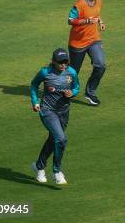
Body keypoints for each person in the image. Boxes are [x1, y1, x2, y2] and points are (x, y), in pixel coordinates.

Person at [30, 48, 80, 184]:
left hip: (64, 111)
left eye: (65, 62)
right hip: (47, 111)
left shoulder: (72, 72)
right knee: (61, 139)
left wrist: (73, 93)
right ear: (53, 61)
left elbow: (77, 86)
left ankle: (39, 167)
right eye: (60, 62)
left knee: (54, 140)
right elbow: (34, 85)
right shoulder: (45, 72)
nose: (63, 65)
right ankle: (57, 172)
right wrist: (35, 102)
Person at [68, 0, 106, 106]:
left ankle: (90, 92)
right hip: (77, 43)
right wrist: (87, 21)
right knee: (73, 71)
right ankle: (63, 90)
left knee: (100, 65)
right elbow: (70, 20)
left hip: (94, 39)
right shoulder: (80, 4)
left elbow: (97, 13)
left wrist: (100, 22)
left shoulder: (99, 0)